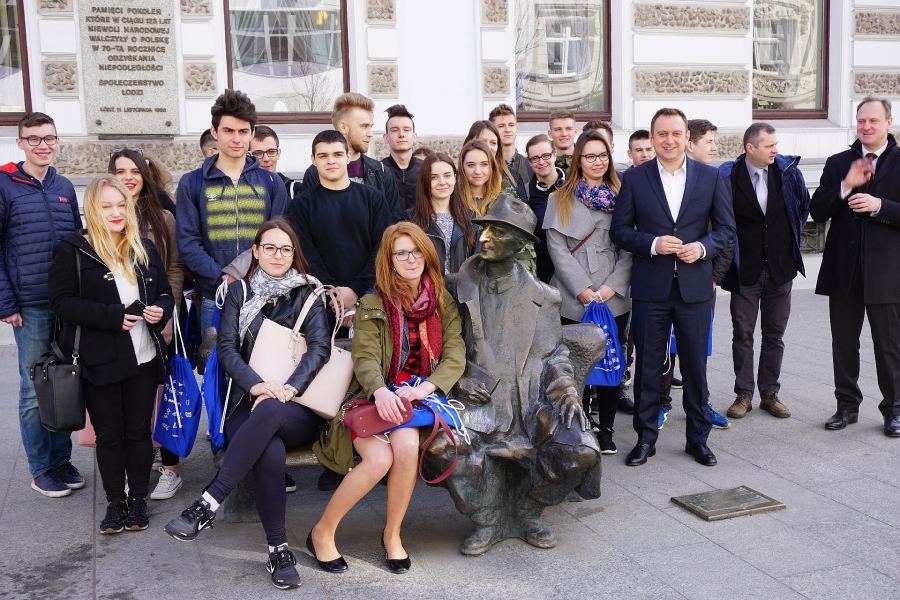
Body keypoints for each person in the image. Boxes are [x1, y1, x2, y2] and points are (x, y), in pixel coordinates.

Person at [423, 196, 601, 556]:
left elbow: (554, 355)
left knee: (581, 450)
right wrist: (456, 377)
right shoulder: (455, 286)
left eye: (498, 232)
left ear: (520, 244)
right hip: (476, 399)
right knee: (442, 447)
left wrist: (567, 391)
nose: (484, 237)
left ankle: (527, 511)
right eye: (485, 228)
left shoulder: (545, 298)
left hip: (529, 402)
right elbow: (435, 344)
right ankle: (486, 518)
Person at [164, 218, 331, 589]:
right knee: (269, 448)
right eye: (269, 247)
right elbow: (226, 349)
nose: (277, 255)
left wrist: (286, 389)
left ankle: (208, 502)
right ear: (255, 251)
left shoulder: (309, 293)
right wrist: (257, 386)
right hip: (245, 401)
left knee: (271, 412)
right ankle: (278, 551)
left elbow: (319, 349)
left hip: (297, 406)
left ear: (294, 254)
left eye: (285, 249)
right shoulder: (238, 291)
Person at [308, 222, 465, 574]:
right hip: (371, 397)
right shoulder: (372, 302)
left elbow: (455, 354)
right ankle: (322, 531)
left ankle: (392, 535)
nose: (410, 259)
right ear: (389, 261)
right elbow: (364, 358)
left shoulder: (442, 302)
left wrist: (424, 389)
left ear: (427, 255)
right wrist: (380, 391)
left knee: (406, 448)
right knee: (379, 460)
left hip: (416, 398)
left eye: (416, 251)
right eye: (401, 253)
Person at [49, 175, 175, 533]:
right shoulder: (72, 249)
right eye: (106, 206)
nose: (116, 212)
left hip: (144, 355)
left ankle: (138, 501)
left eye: (121, 204)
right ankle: (115, 503)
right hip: (99, 358)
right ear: (92, 208)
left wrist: (161, 310)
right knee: (109, 433)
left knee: (138, 431)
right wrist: (111, 316)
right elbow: (61, 302)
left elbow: (165, 292)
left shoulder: (143, 247)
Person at [610, 107, 735, 467]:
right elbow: (620, 231)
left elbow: (726, 229)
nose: (669, 140)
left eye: (676, 133)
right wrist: (652, 243)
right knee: (649, 368)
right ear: (652, 138)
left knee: (695, 368)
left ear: (686, 138)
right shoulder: (635, 179)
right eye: (662, 134)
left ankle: (698, 440)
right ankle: (645, 439)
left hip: (695, 288)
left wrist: (703, 248)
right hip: (651, 288)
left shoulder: (710, 177)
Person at [289, 129, 391, 493]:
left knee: (369, 373)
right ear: (313, 160)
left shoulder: (372, 199)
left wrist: (357, 291)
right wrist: (333, 291)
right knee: (328, 380)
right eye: (323, 155)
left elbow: (382, 248)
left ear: (349, 156)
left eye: (337, 154)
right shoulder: (301, 205)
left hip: (369, 297)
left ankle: (373, 449)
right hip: (322, 301)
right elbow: (304, 253)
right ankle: (333, 458)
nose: (331, 161)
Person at [0, 112, 85, 498]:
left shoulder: (63, 185)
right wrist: (6, 303)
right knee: (34, 388)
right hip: (30, 305)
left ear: (57, 141)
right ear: (20, 143)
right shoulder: (5, 185)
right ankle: (40, 469)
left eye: (49, 138)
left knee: (64, 381)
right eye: (33, 139)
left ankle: (62, 461)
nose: (42, 145)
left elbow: (77, 242)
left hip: (66, 303)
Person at [810, 96, 900, 438]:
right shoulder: (839, 162)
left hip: (887, 271)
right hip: (844, 269)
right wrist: (846, 185)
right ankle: (846, 406)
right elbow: (817, 210)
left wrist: (880, 205)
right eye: (861, 120)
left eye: (873, 121)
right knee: (844, 343)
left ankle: (894, 410)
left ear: (888, 122)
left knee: (889, 346)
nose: (866, 126)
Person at [544, 131, 632, 455]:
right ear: (578, 160)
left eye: (603, 155)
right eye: (590, 156)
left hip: (613, 294)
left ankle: (606, 429)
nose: (597, 162)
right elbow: (557, 248)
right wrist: (582, 289)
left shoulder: (623, 195)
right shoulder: (559, 199)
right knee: (575, 365)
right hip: (572, 296)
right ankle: (579, 427)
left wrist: (611, 287)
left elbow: (630, 248)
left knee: (611, 360)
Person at [176, 89, 288, 338]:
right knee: (214, 360)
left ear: (252, 133)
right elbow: (188, 243)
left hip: (262, 296)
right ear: (214, 132)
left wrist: (246, 277)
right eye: (228, 131)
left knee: (263, 360)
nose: (236, 139)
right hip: (213, 296)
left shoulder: (271, 183)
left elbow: (278, 242)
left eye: (243, 131)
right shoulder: (192, 183)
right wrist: (222, 279)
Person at [108, 148, 186, 500]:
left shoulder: (162, 216)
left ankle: (170, 468)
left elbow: (174, 268)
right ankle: (135, 466)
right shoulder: (104, 216)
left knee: (166, 391)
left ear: (144, 175)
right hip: (121, 321)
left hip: (158, 316)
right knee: (128, 397)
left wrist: (169, 314)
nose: (128, 177)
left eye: (135, 171)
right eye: (120, 171)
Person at [719, 123, 810, 421]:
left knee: (775, 334)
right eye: (769, 145)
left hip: (781, 268)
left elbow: (802, 209)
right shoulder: (728, 176)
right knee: (742, 333)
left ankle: (770, 393)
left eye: (775, 144)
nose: (775, 150)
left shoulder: (789, 173)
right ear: (750, 148)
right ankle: (743, 394)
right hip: (745, 270)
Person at [656, 119, 733, 432]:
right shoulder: (655, 178)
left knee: (696, 350)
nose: (714, 147)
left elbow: (726, 231)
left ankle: (700, 406)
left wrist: (714, 275)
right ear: (691, 144)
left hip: (700, 281)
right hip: (661, 283)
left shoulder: (713, 178)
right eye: (709, 141)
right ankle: (661, 402)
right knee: (662, 350)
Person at [296, 93, 402, 222]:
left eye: (371, 126)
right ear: (344, 127)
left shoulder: (380, 171)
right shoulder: (315, 172)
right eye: (364, 126)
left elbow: (393, 224)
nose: (370, 133)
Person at [458, 140, 537, 275]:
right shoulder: (453, 201)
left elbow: (523, 249)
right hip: (464, 277)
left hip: (501, 279)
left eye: (484, 164)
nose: (477, 171)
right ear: (462, 167)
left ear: (492, 166)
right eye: (470, 165)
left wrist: (525, 280)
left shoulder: (505, 202)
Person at [408, 152, 478, 275]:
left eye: (447, 175)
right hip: (426, 286)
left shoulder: (470, 218)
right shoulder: (410, 219)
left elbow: (478, 263)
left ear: (455, 179)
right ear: (425, 181)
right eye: (434, 177)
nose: (442, 182)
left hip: (462, 286)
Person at [525, 134, 565, 283]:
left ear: (555, 154)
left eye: (546, 155)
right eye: (535, 158)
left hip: (576, 269)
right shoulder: (525, 193)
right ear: (529, 162)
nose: (541, 162)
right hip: (543, 275)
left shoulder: (575, 185)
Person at [464, 120, 527, 201]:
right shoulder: (457, 179)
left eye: (493, 143)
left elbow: (524, 207)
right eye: (482, 142)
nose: (488, 147)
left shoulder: (513, 177)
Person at [382, 104, 422, 212]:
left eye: (406, 129)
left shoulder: (426, 169)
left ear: (414, 136)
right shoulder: (378, 172)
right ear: (386, 138)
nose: (401, 134)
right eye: (395, 130)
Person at [489, 103, 533, 190]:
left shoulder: (529, 165)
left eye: (511, 125)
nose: (507, 130)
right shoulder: (487, 166)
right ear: (492, 131)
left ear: (516, 129)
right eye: (501, 126)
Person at [250, 125, 295, 199]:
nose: (266, 159)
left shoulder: (294, 190)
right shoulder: (240, 191)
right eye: (258, 153)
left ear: (278, 154)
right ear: (248, 156)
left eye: (271, 152)